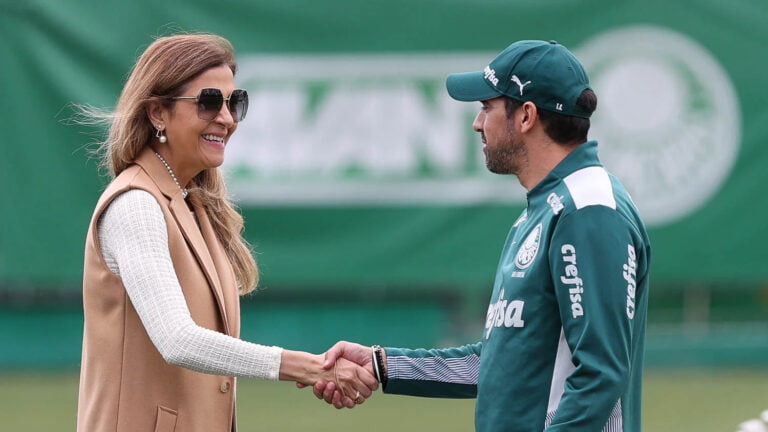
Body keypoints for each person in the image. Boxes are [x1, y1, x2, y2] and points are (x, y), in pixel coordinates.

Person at [309, 40, 651, 432]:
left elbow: (601, 374)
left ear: (525, 116)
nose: (477, 122)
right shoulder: (546, 209)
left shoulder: (588, 209)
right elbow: (497, 363)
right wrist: (381, 364)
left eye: (487, 107)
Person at [76, 33, 376, 432]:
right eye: (209, 102)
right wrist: (308, 367)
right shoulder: (135, 205)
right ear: (156, 113)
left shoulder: (193, 204)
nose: (227, 118)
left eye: (235, 103)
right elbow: (178, 340)